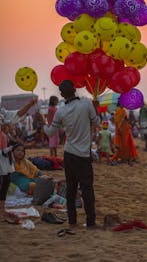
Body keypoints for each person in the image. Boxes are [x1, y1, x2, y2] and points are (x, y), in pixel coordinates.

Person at [44, 80, 99, 230]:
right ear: (75, 89)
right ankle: (91, 222)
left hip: (69, 154)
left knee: (71, 189)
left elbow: (50, 132)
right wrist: (96, 110)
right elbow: (97, 121)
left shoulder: (61, 111)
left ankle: (72, 221)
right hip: (83, 154)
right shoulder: (86, 103)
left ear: (61, 94)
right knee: (87, 188)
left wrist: (44, 123)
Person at [0, 97, 37, 219]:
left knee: (5, 181)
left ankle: (1, 210)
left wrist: (30, 104)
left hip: (4, 156)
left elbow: (18, 113)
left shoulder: (3, 112)